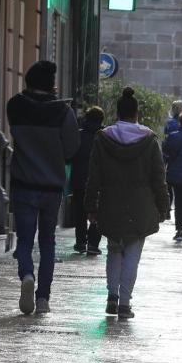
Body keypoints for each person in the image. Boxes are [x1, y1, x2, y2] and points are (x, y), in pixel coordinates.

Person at [84, 88, 169, 320]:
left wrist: (90, 206)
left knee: (113, 249)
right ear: (137, 114)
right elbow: (158, 178)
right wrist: (163, 206)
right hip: (141, 205)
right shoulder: (149, 140)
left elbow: (94, 176)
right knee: (132, 254)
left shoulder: (103, 138)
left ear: (117, 113)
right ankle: (124, 303)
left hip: (111, 202)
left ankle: (111, 296)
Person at [7, 60, 79, 316]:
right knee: (47, 243)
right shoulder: (63, 112)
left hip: (24, 184)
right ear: (51, 84)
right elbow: (71, 148)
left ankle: (27, 274)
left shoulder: (15, 105)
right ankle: (44, 299)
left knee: (25, 239)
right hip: (51, 187)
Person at [71, 106, 105, 255]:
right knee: (97, 211)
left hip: (80, 179)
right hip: (100, 181)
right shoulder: (105, 137)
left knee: (80, 211)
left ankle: (80, 242)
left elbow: (70, 155)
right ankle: (93, 243)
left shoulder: (78, 135)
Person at [162, 110, 182, 242]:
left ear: (180, 122)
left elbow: (166, 152)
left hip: (176, 175)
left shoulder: (173, 136)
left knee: (179, 203)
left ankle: (179, 230)